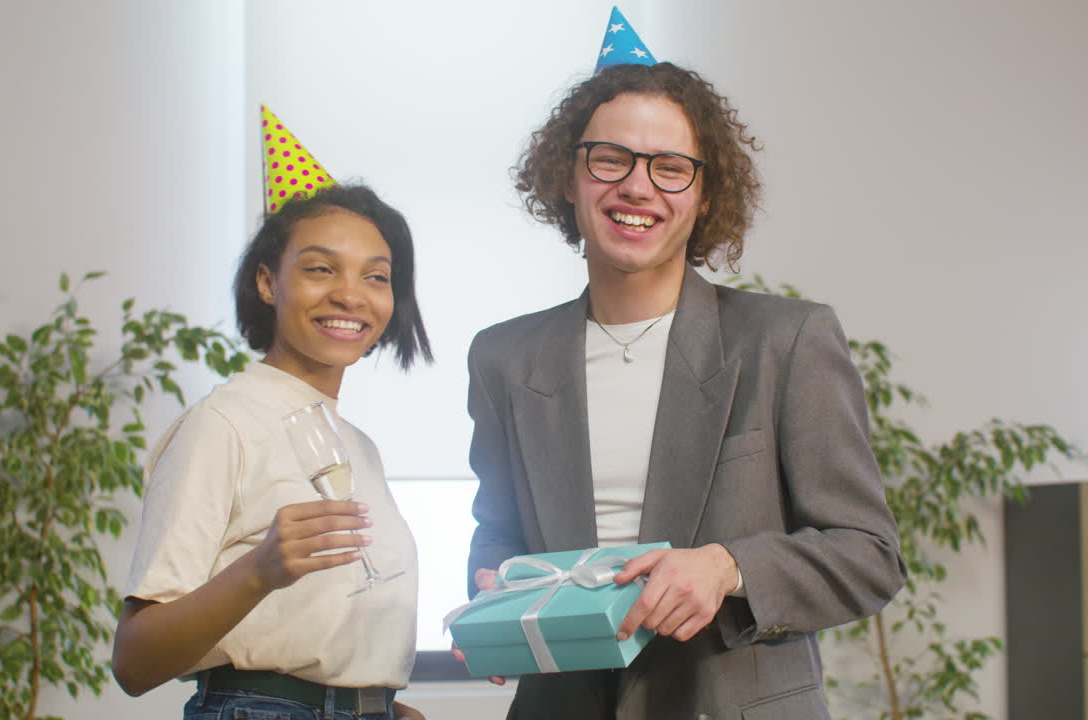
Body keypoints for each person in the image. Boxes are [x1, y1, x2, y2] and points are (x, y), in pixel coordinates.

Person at [463, 61, 907, 720]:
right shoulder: (503, 357)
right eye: (610, 159)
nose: (637, 186)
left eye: (669, 167)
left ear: (704, 197)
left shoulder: (786, 340)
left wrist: (728, 567)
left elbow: (869, 555)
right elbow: (498, 531)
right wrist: (494, 592)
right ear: (567, 176)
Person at [113, 184, 432, 720]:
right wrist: (259, 570)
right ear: (267, 282)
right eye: (321, 269)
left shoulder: (360, 447)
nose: (351, 295)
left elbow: (310, 638)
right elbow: (134, 662)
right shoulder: (223, 423)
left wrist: (384, 707)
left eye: (375, 276)